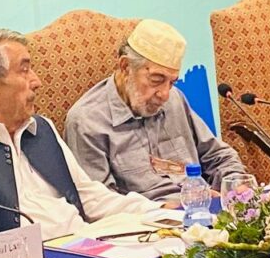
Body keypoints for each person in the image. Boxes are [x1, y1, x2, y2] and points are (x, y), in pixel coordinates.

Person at [0, 29, 165, 239]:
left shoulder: (42, 128)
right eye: (24, 70)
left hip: (87, 246)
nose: (37, 81)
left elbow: (90, 197)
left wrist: (160, 212)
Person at [64, 20, 244, 201]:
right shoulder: (87, 122)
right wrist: (164, 208)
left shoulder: (174, 99)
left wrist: (235, 183)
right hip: (148, 217)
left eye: (171, 82)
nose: (165, 94)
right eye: (156, 80)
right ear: (126, 67)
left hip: (202, 209)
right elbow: (99, 202)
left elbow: (218, 155)